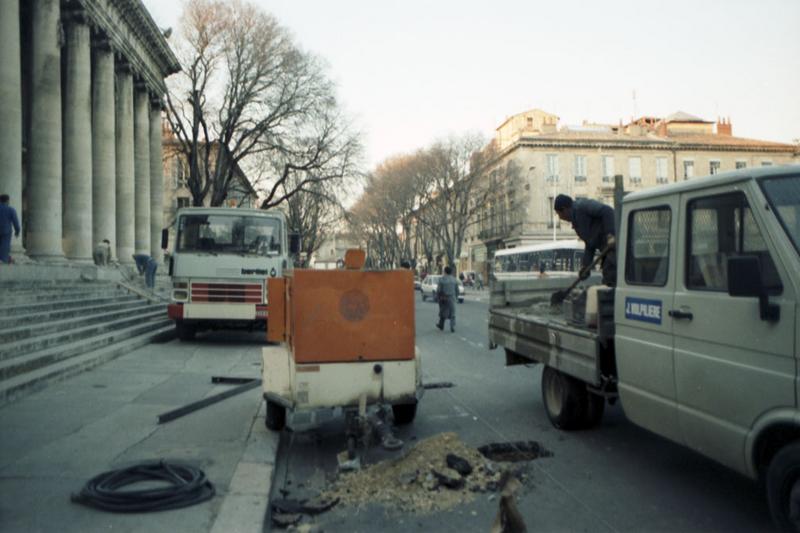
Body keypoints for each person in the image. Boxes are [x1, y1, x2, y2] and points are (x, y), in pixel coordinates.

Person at [554, 194, 617, 286]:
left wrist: (610, 235)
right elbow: (590, 244)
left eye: (559, 214)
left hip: (616, 243)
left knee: (610, 274)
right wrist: (586, 266)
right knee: (609, 275)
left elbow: (607, 211)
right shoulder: (577, 223)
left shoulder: (583, 206)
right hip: (606, 248)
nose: (560, 218)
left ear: (564, 209)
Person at [435, 266, 458, 333]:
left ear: (444, 271)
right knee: (452, 312)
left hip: (443, 297)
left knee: (442, 311)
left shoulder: (442, 279)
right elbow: (457, 290)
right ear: (451, 272)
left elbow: (439, 290)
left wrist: (438, 297)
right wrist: (456, 296)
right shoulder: (454, 279)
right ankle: (452, 326)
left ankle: (441, 325)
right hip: (452, 297)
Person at [0, 194, 21, 264]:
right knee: (5, 246)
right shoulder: (11, 210)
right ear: (8, 201)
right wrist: (17, 232)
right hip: (6, 231)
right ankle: (3, 261)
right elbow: (16, 222)